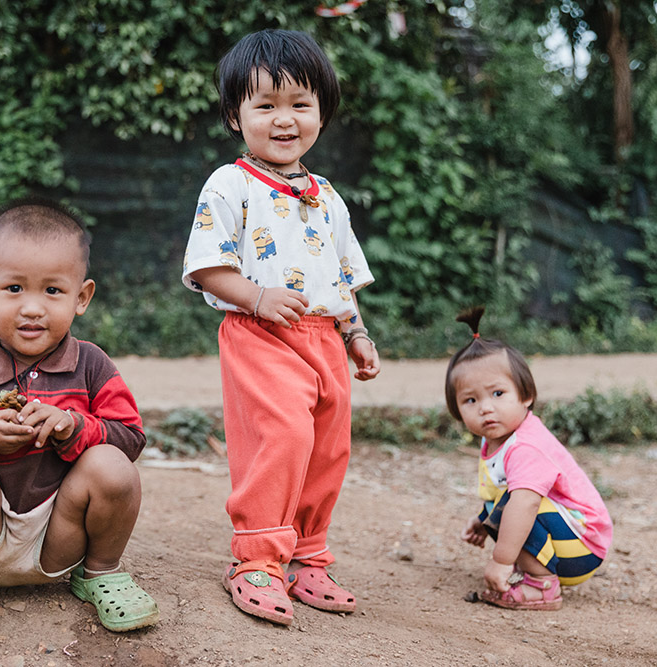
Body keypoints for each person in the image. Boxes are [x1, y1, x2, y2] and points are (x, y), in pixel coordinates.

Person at [181, 29, 380, 626]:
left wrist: (358, 335)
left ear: (322, 110)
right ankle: (257, 560)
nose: (284, 119)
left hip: (326, 339)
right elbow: (208, 268)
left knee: (327, 447)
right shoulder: (230, 184)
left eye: (299, 103)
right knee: (283, 438)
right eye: (264, 105)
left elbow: (340, 278)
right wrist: (258, 296)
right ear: (235, 116)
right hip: (259, 334)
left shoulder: (330, 199)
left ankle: (307, 556)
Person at [0, 198, 159, 648]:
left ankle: (101, 573)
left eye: (52, 291)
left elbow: (130, 437)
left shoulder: (92, 365)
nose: (32, 308)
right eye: (14, 288)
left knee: (113, 466)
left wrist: (74, 427)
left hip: (63, 536)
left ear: (82, 298)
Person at [447, 306, 612, 611]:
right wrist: (485, 521)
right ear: (457, 410)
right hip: (567, 538)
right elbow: (502, 493)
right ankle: (536, 572)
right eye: (471, 400)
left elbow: (523, 502)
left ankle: (542, 586)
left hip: (583, 546)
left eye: (498, 394)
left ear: (525, 396)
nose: (485, 408)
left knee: (520, 503)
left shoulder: (526, 445)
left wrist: (501, 561)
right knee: (501, 504)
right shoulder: (497, 440)